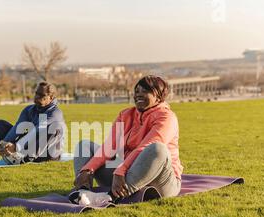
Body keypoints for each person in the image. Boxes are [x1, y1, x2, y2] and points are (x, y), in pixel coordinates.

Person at [70, 76, 183, 206]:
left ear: (158, 97)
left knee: (157, 149)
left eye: (145, 91)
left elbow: (145, 146)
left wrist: (121, 170)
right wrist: (87, 170)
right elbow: (109, 147)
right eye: (137, 91)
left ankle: (111, 198)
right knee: (84, 145)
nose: (138, 94)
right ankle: (83, 192)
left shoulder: (167, 117)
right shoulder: (125, 115)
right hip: (125, 176)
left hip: (160, 181)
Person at [0, 82, 65, 165]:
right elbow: (17, 128)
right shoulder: (29, 110)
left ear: (51, 97)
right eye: (36, 93)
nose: (37, 97)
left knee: (54, 128)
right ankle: (9, 156)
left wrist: (16, 147)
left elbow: (37, 132)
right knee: (0, 124)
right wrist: (5, 143)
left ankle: (23, 159)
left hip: (47, 154)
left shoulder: (55, 113)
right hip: (27, 148)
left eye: (41, 95)